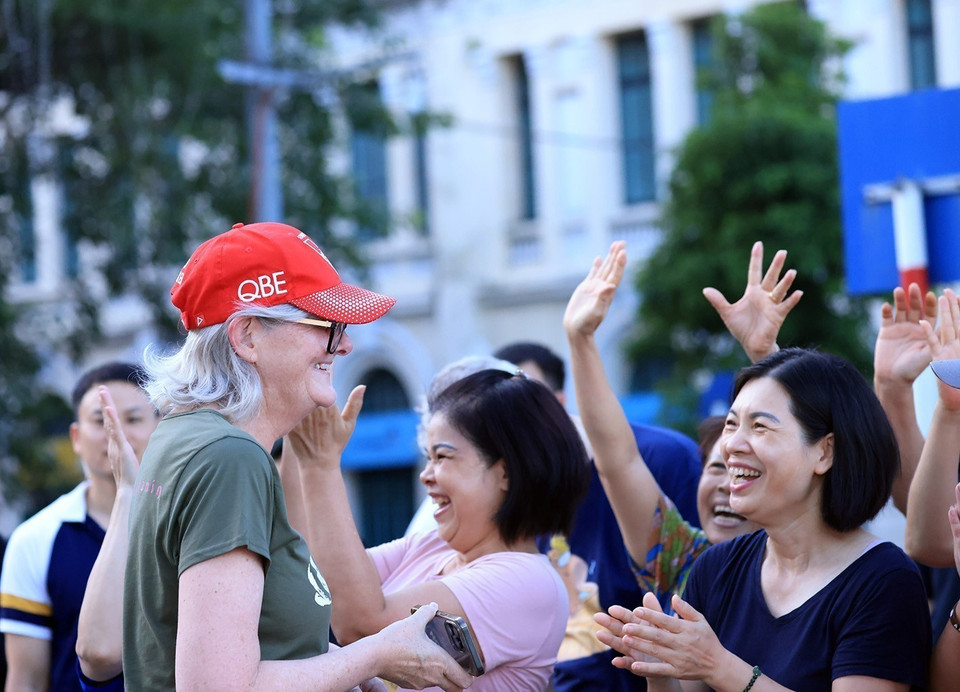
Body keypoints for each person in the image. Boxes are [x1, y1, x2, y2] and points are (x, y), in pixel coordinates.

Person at [121, 221, 474, 691]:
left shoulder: (186, 437)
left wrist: (349, 664)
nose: (345, 343)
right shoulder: (230, 457)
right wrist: (377, 653)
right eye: (326, 324)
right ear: (247, 336)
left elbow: (254, 641)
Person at [596, 348, 932, 690]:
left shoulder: (884, 580)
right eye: (731, 424)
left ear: (825, 452)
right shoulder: (715, 567)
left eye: (760, 426)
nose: (732, 445)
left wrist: (720, 666)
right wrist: (660, 673)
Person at [286, 367, 591, 690]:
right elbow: (308, 580)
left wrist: (319, 464)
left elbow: (362, 625)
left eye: (443, 457)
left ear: (506, 473)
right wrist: (300, 423)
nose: (426, 475)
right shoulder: (432, 546)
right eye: (427, 458)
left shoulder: (529, 583)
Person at [563, 241, 767, 619]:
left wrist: (767, 357)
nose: (726, 483)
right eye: (717, 467)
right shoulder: (684, 561)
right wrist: (580, 340)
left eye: (742, 470)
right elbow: (619, 461)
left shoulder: (823, 575)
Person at [0, 362, 159, 692]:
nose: (117, 432)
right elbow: (26, 679)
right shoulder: (34, 539)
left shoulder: (190, 520)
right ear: (76, 437)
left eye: (132, 419)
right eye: (101, 420)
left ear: (159, 426)